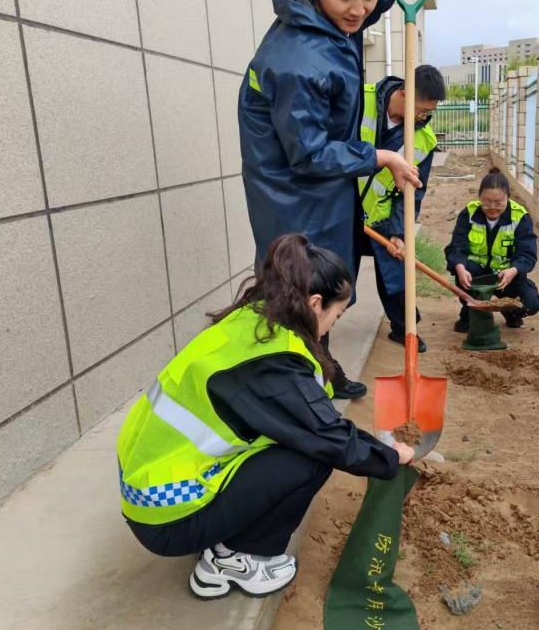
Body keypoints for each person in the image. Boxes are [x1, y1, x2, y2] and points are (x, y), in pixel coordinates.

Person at [117, 234, 415, 600]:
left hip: (149, 488)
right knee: (309, 457)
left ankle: (222, 537)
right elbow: (327, 435)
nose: (333, 324)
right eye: (336, 315)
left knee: (293, 438)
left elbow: (306, 403)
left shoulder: (254, 320)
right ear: (315, 302)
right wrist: (389, 457)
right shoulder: (273, 365)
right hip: (168, 517)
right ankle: (232, 559)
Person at [238, 0, 422, 399]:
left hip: (320, 187)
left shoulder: (331, 17)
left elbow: (364, 5)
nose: (359, 10)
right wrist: (379, 156)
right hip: (292, 193)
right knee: (299, 295)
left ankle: (321, 367)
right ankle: (294, 392)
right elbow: (308, 152)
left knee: (320, 291)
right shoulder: (299, 61)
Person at [359, 65, 446, 353]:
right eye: (421, 110)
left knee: (397, 273)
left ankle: (403, 328)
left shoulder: (424, 140)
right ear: (404, 94)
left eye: (429, 112)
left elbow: (411, 195)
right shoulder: (361, 99)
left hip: (381, 214)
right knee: (332, 277)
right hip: (340, 206)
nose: (425, 117)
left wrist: (399, 232)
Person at [444, 168, 539, 331]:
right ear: (479, 197)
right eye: (487, 201)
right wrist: (459, 267)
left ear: (508, 198)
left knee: (531, 303)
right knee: (465, 269)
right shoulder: (469, 213)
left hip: (506, 275)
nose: (492, 207)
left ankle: (512, 312)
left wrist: (514, 270)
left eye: (498, 203)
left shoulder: (520, 217)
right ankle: (470, 312)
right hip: (477, 273)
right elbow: (457, 245)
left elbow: (527, 253)